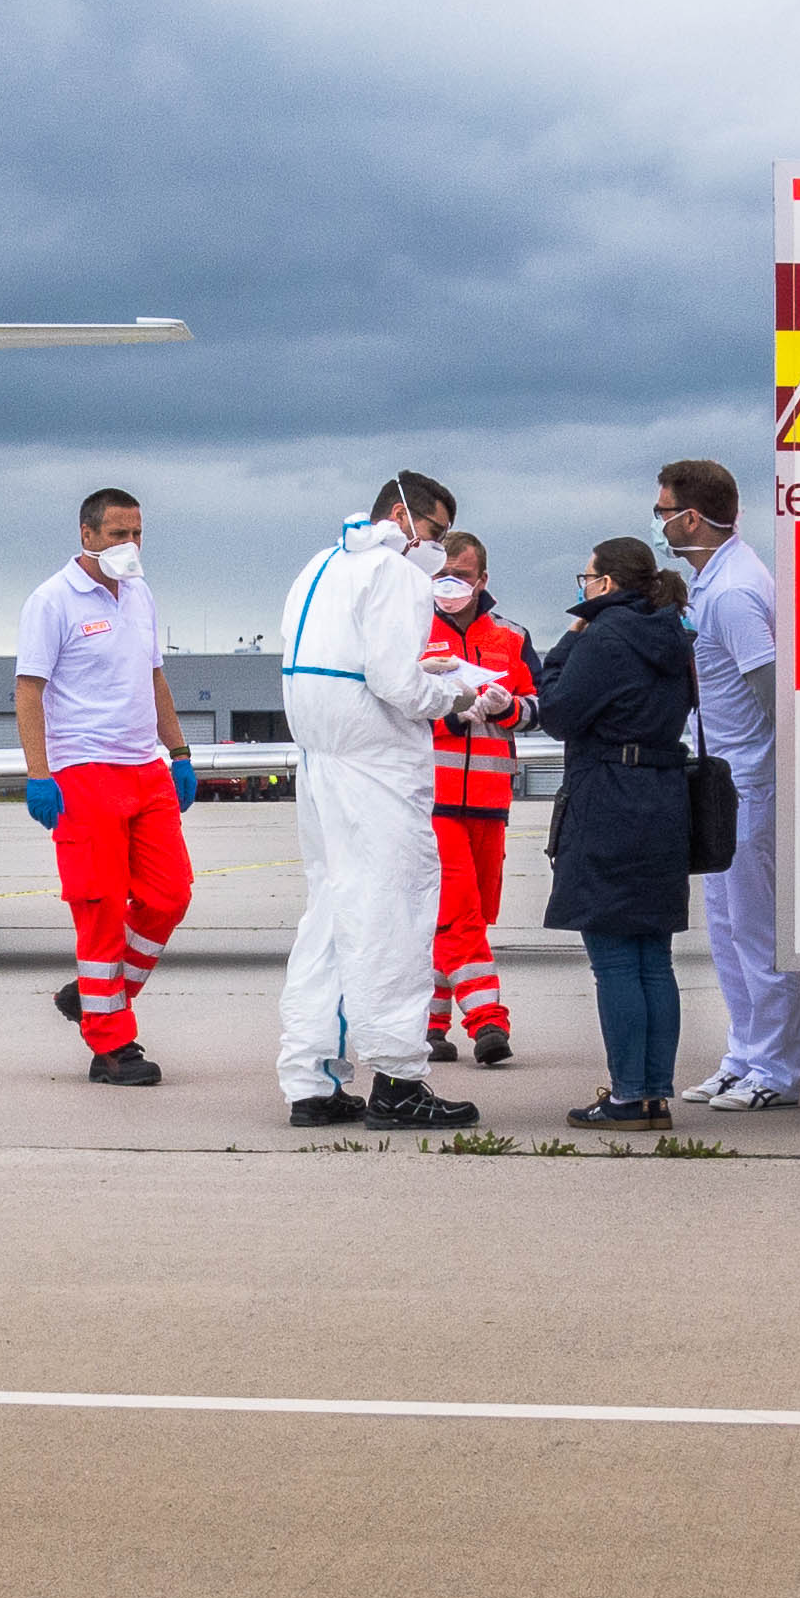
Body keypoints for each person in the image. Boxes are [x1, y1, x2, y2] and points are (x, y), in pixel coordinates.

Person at [272, 471, 506, 1129]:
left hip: (319, 762)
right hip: (375, 766)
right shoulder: (393, 573)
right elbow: (397, 682)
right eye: (432, 533)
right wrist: (461, 695)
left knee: (327, 917)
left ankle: (311, 1082)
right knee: (393, 913)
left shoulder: (318, 567)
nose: (435, 551)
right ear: (403, 517)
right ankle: (398, 1081)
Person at [14, 486, 196, 1086]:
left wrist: (179, 752)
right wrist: (40, 776)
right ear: (87, 536)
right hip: (83, 771)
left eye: (137, 533)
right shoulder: (52, 601)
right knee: (98, 908)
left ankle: (92, 996)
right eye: (118, 534)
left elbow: (155, 678)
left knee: (170, 897)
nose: (130, 545)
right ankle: (112, 1045)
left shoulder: (140, 593)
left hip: (144, 770)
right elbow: (29, 692)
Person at [536, 535, 700, 1128]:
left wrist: (566, 643)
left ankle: (629, 1092)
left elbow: (556, 711)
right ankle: (654, 1091)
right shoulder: (672, 635)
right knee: (654, 960)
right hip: (662, 798)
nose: (582, 589)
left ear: (605, 584)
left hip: (608, 799)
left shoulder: (604, 636)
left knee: (613, 961)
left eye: (586, 579)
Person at [662, 458, 796, 1110]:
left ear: (691, 517)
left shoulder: (736, 592)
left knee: (755, 931)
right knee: (723, 927)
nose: (659, 524)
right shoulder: (710, 586)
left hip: (748, 780)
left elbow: (770, 690)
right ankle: (743, 1054)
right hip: (719, 780)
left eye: (663, 512)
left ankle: (775, 1069)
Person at [420, 532, 538, 1070]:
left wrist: (507, 706)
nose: (451, 586)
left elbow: (543, 709)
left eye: (462, 576)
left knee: (473, 915)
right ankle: (487, 1019)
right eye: (441, 574)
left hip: (490, 801)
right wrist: (449, 713)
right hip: (433, 800)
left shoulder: (511, 638)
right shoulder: (411, 631)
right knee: (460, 913)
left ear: (482, 580)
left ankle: (430, 1024)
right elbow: (392, 709)